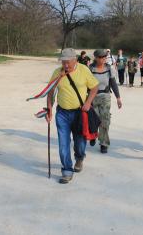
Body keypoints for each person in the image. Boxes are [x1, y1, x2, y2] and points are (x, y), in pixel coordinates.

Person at [46, 48, 99, 184]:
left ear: (75, 60)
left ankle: (80, 157)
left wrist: (88, 102)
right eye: (63, 62)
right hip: (62, 113)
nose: (65, 65)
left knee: (80, 143)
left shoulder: (83, 70)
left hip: (79, 113)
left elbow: (94, 87)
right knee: (63, 144)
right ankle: (67, 170)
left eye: (68, 62)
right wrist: (49, 109)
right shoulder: (57, 72)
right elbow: (50, 91)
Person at [89, 49, 122, 153]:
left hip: (105, 96)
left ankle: (104, 143)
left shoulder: (109, 68)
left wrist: (118, 98)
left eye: (104, 57)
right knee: (94, 119)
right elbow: (86, 84)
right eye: (101, 57)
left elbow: (113, 83)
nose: (103, 59)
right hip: (92, 96)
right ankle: (93, 134)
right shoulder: (90, 69)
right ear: (96, 58)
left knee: (105, 119)